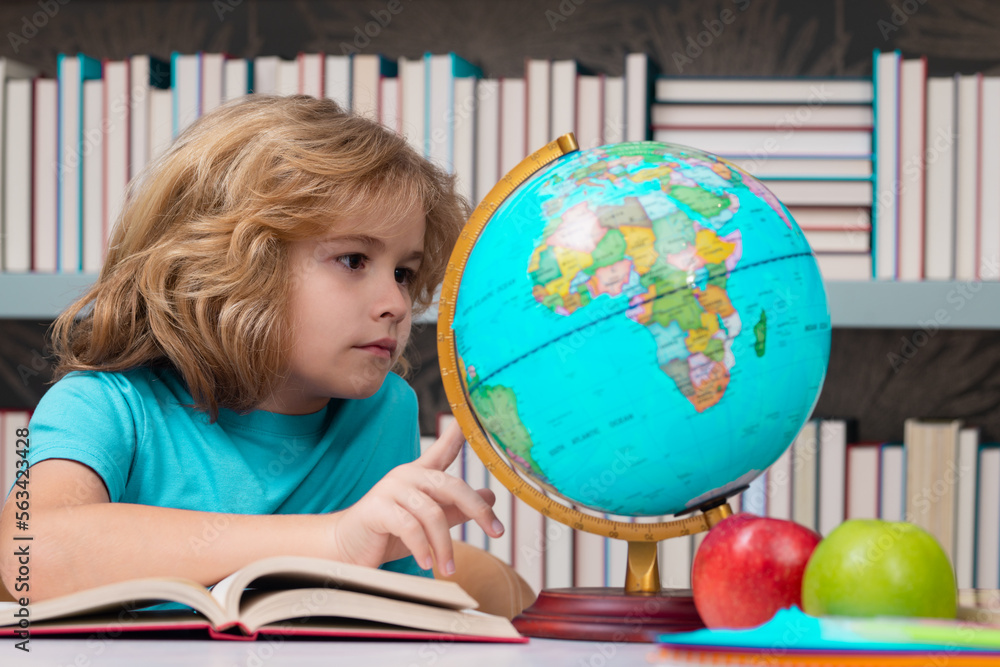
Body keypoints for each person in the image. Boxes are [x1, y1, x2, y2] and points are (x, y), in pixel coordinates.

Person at [0, 95, 503, 602]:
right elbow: (31, 552)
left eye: (404, 272)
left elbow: (388, 620)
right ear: (232, 265)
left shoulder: (385, 413)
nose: (396, 302)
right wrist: (334, 540)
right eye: (353, 260)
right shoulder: (106, 405)